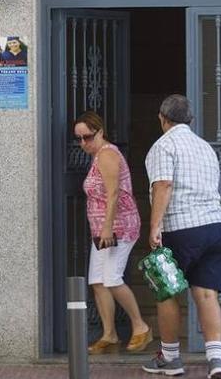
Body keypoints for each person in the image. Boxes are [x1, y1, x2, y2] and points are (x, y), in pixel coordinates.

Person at [142, 95, 221, 379]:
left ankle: (170, 358)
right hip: (215, 226)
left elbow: (163, 185)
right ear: (189, 119)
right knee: (206, 294)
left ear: (162, 118)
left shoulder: (163, 146)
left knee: (167, 292)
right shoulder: (206, 148)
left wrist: (155, 226)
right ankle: (216, 361)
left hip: (181, 228)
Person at [74, 111, 153, 354]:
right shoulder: (97, 156)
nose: (83, 143)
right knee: (97, 280)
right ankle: (109, 334)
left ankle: (141, 327)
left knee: (111, 278)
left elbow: (114, 194)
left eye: (87, 137)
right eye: (79, 138)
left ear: (99, 132)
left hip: (119, 227)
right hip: (101, 230)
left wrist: (108, 226)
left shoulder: (108, 154)